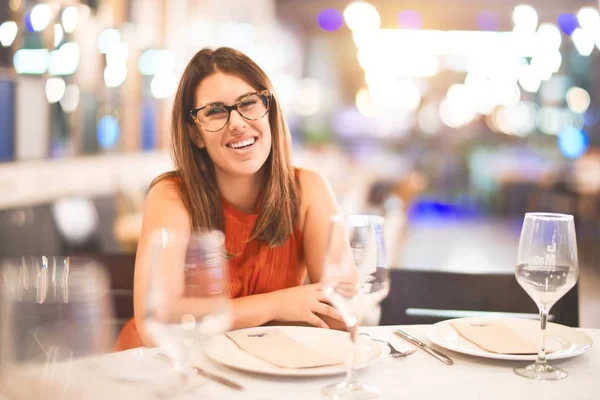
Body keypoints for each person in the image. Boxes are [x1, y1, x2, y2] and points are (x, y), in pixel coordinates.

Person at [114, 47, 342, 350]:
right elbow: (157, 320)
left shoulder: (309, 190)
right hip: (163, 372)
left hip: (262, 371)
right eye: (216, 111)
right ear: (195, 134)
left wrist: (217, 317)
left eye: (248, 103)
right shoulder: (172, 196)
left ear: (269, 110)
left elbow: (341, 310)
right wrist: (277, 305)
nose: (236, 123)